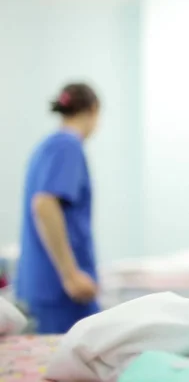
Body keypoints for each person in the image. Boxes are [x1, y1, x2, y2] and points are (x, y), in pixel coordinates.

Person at [16, 83, 101, 334]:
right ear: (93, 110)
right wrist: (71, 275)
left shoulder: (47, 146)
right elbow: (44, 204)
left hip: (44, 285)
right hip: (61, 290)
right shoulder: (67, 146)